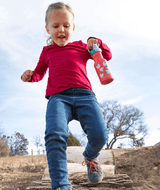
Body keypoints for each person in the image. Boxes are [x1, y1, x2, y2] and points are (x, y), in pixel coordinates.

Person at [21, 2, 112, 190]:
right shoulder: (47, 52)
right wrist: (30, 76)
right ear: (47, 29)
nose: (61, 30)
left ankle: (90, 157)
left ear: (73, 27)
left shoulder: (81, 46)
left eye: (66, 25)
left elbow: (107, 56)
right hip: (58, 98)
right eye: (55, 26)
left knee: (100, 135)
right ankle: (61, 185)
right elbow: (39, 73)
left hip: (86, 96)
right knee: (54, 135)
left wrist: (97, 42)